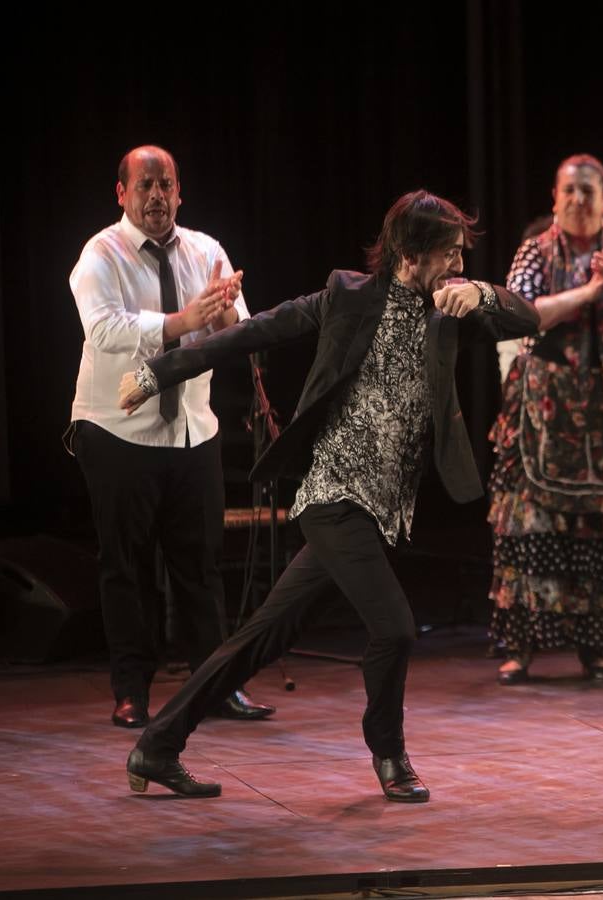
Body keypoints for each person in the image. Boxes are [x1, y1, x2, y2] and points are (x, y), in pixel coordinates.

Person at [120, 190, 539, 801]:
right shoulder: (348, 297)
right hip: (334, 497)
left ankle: (156, 745)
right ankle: (390, 754)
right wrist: (160, 369)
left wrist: (485, 295)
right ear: (411, 251)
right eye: (449, 255)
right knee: (395, 628)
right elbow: (254, 332)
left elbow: (530, 318)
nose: (457, 266)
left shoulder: (451, 311)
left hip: (383, 513)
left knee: (260, 638)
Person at [68, 145, 274, 728]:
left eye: (167, 185)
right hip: (116, 429)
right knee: (126, 567)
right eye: (145, 185)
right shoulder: (101, 254)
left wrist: (226, 311)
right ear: (122, 194)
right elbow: (104, 329)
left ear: (180, 192)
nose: (156, 195)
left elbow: (241, 331)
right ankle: (132, 690)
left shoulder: (206, 250)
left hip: (191, 432)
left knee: (200, 566)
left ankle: (218, 685)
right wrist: (186, 320)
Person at [488, 154, 603, 684]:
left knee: (602, 529)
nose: (579, 200)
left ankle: (594, 648)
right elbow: (520, 310)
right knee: (530, 523)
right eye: (570, 190)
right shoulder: (536, 249)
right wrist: (590, 292)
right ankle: (522, 647)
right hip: (547, 409)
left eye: (589, 191)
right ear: (554, 197)